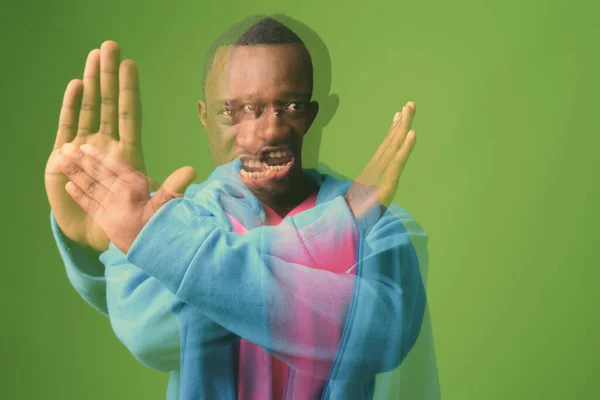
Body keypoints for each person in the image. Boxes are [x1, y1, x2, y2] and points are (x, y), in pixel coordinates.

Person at [46, 16, 433, 400]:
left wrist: (168, 251)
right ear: (205, 117)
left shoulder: (384, 226)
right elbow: (149, 333)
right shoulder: (176, 215)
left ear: (316, 115)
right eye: (233, 112)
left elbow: (377, 336)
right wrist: (337, 227)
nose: (266, 132)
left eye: (291, 106)